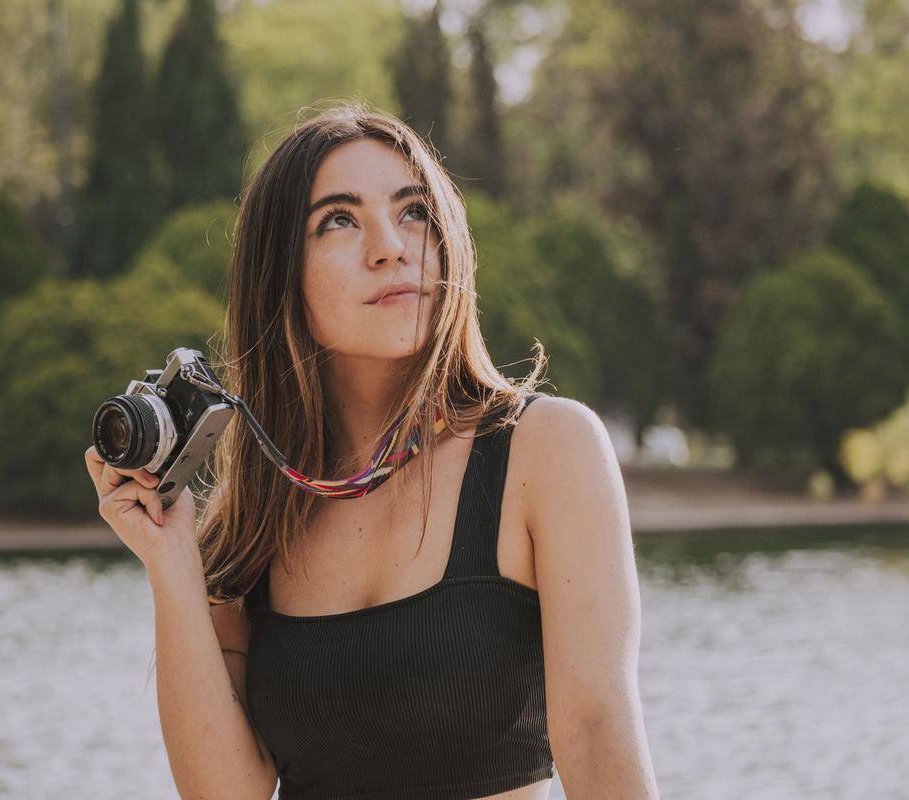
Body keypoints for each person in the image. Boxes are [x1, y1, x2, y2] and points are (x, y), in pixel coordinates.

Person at [84, 101, 657, 799]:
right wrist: (171, 561)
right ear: (280, 274)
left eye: (414, 211)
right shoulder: (258, 513)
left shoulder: (545, 450)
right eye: (339, 220)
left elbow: (597, 729)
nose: (390, 245)